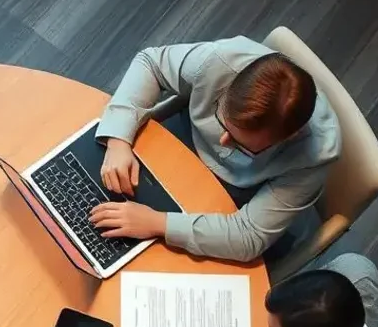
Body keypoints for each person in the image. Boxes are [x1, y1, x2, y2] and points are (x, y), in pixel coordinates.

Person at [88, 38, 340, 262]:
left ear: (288, 137)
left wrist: (157, 223)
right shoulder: (221, 60)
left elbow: (248, 236)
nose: (222, 141)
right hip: (179, 142)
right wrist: (119, 140)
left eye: (242, 146)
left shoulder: (315, 154)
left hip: (236, 197)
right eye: (223, 122)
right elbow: (151, 63)